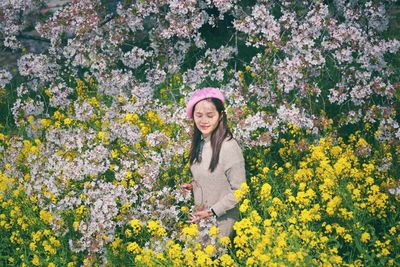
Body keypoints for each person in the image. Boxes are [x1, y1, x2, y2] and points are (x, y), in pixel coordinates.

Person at [181, 87, 246, 239]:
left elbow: (240, 190)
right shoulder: (201, 142)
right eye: (199, 115)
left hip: (221, 221)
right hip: (201, 217)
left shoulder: (229, 147)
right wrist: (193, 186)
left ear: (220, 115)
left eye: (210, 116)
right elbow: (213, 175)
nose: (204, 121)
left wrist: (211, 211)